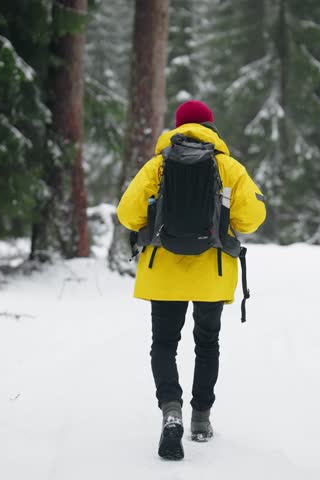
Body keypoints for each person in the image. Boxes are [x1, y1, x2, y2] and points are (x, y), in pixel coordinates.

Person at [117, 100, 266, 460]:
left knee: (164, 344)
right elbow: (251, 219)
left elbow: (127, 214)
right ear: (211, 127)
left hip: (162, 272)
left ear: (178, 127)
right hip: (212, 272)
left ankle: (171, 412)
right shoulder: (229, 167)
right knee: (207, 344)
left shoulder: (157, 165)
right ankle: (200, 419)